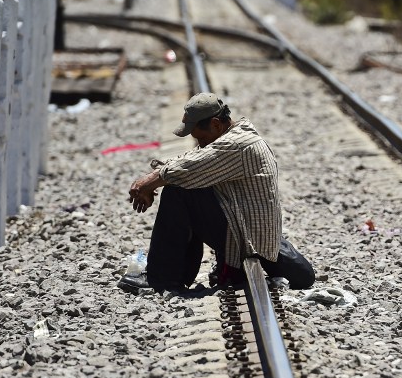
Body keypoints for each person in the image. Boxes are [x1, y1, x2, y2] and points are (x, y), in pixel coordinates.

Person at [118, 92, 315, 293]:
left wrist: (147, 184)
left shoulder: (237, 145)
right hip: (249, 225)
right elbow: (192, 159)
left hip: (247, 236)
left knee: (177, 192)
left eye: (201, 137)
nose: (200, 144)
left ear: (215, 124)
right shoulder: (235, 134)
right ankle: (187, 272)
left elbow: (185, 170)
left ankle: (162, 280)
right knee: (184, 184)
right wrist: (155, 178)